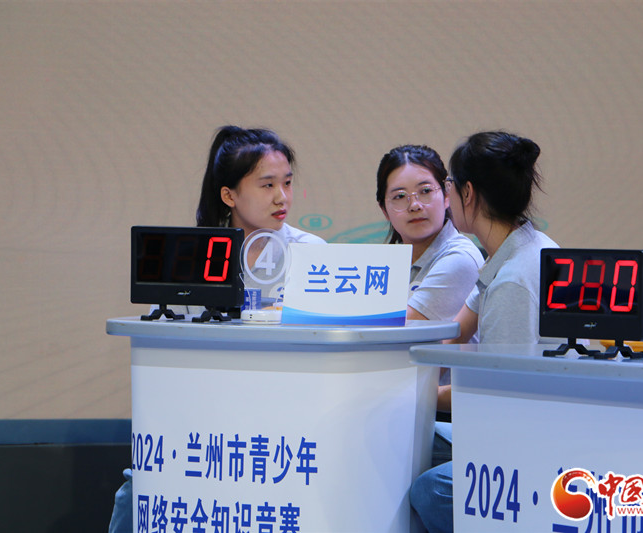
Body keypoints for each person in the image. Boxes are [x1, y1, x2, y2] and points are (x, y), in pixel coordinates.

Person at [110, 125, 324, 533]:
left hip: (286, 426)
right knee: (135, 490)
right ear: (229, 195)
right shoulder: (193, 256)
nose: (282, 197)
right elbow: (163, 340)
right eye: (267, 185)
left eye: (287, 183)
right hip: (206, 422)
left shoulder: (312, 254)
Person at [409, 131, 559, 533]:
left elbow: (498, 398)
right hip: (509, 425)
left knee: (431, 491)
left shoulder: (514, 280)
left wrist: (412, 396)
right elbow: (453, 333)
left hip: (526, 442)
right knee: (407, 431)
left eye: (446, 185)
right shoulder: (517, 248)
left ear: (468, 193)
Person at [376, 145, 484, 323]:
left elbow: (396, 328)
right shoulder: (384, 265)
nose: (415, 205)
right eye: (400, 196)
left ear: (447, 196)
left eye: (425, 191)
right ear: (384, 210)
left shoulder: (460, 258)